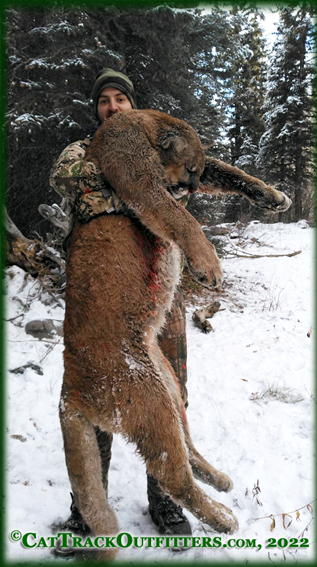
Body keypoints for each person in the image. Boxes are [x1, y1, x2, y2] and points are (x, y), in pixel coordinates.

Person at [50, 68, 191, 538]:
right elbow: (67, 176)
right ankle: (88, 510)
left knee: (170, 397)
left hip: (159, 295)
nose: (112, 106)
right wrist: (135, 182)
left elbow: (183, 194)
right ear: (97, 110)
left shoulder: (162, 153)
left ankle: (166, 500)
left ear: (134, 106)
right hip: (102, 299)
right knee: (94, 395)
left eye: (120, 100)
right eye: (104, 101)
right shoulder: (80, 151)